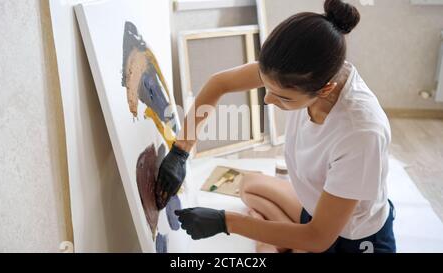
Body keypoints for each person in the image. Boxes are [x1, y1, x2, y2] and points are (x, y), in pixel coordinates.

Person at [155, 0, 396, 253]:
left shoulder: (361, 133)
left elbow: (319, 238)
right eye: (267, 87)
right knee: (248, 185)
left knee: (270, 248)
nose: (268, 100)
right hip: (315, 211)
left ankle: (282, 243)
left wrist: (226, 222)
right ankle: (286, 239)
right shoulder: (303, 70)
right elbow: (219, 83)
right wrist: (181, 150)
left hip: (351, 239)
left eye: (283, 97)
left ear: (325, 89)